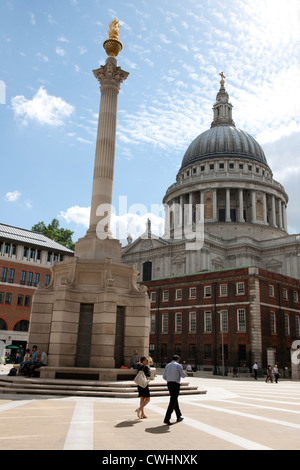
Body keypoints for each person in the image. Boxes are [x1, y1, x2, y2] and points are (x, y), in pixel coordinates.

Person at [163, 355, 186, 425]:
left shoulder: (167, 365)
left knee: (174, 399)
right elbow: (183, 376)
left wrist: (169, 379)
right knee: (173, 401)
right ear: (178, 360)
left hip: (169, 384)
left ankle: (178, 416)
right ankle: (167, 418)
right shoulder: (178, 366)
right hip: (175, 384)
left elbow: (164, 376)